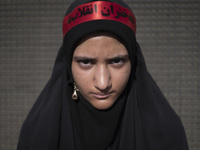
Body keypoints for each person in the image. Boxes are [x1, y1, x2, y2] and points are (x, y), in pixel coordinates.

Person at [17, 0, 189, 150]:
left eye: (116, 61)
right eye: (86, 62)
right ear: (68, 65)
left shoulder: (166, 133)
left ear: (133, 60)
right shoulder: (38, 134)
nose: (102, 82)